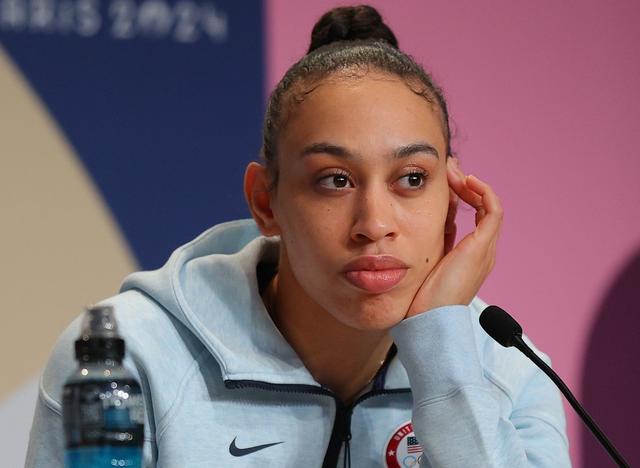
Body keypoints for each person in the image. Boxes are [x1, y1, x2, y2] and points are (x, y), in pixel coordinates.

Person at [25, 5, 571, 467]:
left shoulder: (509, 375)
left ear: (453, 202)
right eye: (335, 180)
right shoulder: (125, 361)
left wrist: (447, 363)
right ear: (266, 202)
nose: (375, 223)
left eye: (411, 179)